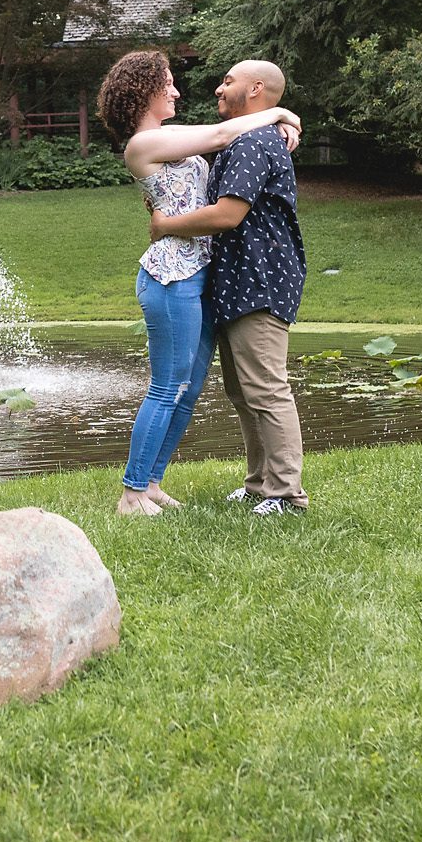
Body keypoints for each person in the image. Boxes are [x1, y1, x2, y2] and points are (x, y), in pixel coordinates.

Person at [96, 50, 301, 517]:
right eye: (167, 83)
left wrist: (282, 125)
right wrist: (284, 112)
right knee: (167, 386)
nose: (177, 90)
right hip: (171, 277)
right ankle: (131, 493)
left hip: (201, 274)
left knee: (188, 389)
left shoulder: (171, 137)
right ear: (145, 90)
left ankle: (152, 483)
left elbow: (234, 134)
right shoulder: (141, 145)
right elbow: (225, 132)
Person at [149, 60, 308, 516]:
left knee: (266, 387)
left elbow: (227, 214)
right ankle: (260, 483)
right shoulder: (248, 136)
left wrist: (166, 226)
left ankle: (287, 494)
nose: (219, 88)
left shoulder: (253, 142)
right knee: (243, 392)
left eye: (229, 81)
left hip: (260, 278)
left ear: (256, 88)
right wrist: (285, 117)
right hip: (238, 279)